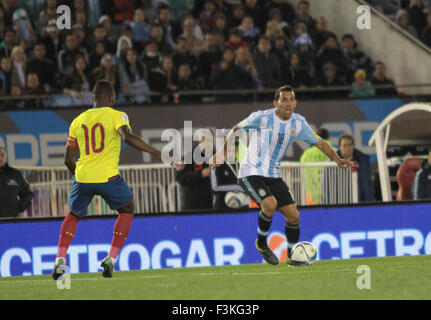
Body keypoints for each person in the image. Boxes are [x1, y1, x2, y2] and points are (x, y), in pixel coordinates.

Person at [210, 85, 356, 265]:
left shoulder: (298, 123)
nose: (288, 103)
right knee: (269, 204)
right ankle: (262, 243)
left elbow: (319, 143)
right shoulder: (262, 118)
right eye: (284, 99)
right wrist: (224, 152)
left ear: (295, 103)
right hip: (250, 172)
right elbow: (236, 129)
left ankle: (291, 256)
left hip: (273, 174)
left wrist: (337, 159)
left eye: (291, 99)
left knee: (294, 216)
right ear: (275, 103)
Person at [52, 80, 182, 280]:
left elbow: (67, 159)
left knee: (73, 215)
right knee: (127, 209)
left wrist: (80, 179)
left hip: (83, 176)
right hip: (108, 177)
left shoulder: (78, 120)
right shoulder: (117, 115)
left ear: (94, 98)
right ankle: (110, 259)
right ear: (110, 97)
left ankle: (60, 259)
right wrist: (159, 154)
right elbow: (128, 137)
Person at [300, 128, 337, 205]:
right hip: (334, 197)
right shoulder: (336, 152)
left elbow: (306, 178)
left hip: (313, 197)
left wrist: (316, 196)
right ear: (329, 138)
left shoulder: (306, 155)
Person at [337, 134, 375, 202]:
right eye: (345, 145)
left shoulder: (363, 161)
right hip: (340, 202)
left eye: (350, 145)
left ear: (353, 146)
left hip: (360, 202)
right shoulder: (332, 162)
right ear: (339, 147)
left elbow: (367, 186)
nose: (347, 148)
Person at [0, 146, 34, 218]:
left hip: (12, 220)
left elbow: (28, 194)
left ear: (5, 156)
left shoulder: (15, 174)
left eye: (2, 155)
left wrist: (18, 207)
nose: (0, 158)